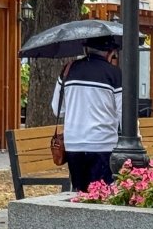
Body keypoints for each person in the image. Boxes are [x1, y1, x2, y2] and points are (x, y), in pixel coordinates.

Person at [51, 36, 122, 192]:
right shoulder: (114, 74)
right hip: (103, 143)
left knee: (80, 192)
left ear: (85, 49)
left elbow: (58, 109)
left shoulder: (68, 70)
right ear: (110, 53)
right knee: (101, 194)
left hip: (74, 144)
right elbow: (123, 113)